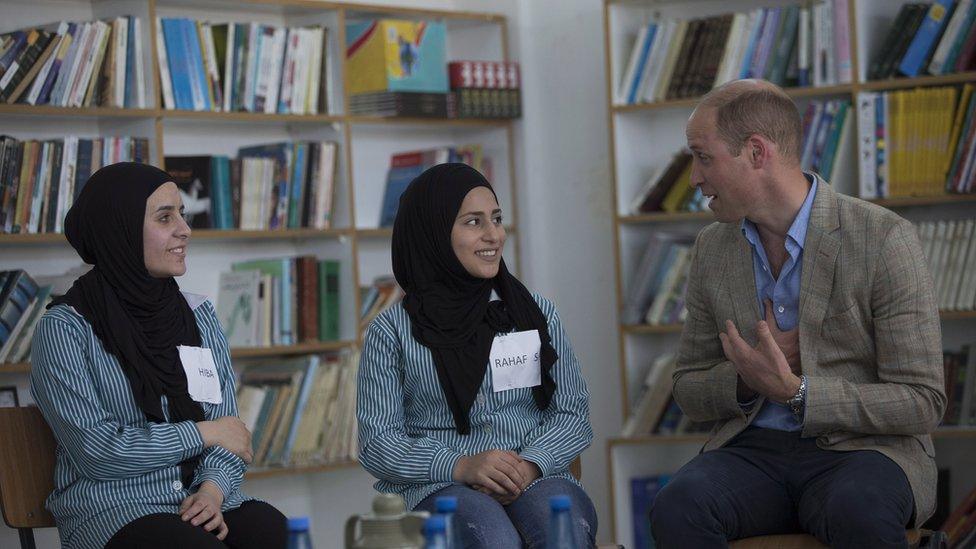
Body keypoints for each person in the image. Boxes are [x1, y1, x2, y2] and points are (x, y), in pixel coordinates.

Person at [649, 79, 946, 548]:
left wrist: (798, 391)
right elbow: (688, 387)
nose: (694, 179)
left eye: (703, 157)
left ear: (755, 152)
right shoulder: (712, 248)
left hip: (863, 451)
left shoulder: (884, 238)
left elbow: (923, 400)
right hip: (753, 453)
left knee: (858, 509)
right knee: (677, 505)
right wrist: (750, 379)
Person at [29, 162, 288, 549]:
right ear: (120, 230)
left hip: (204, 499)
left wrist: (212, 493)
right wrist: (200, 433)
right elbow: (98, 453)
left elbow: (229, 434)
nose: (184, 229)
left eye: (181, 215)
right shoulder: (65, 330)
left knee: (276, 532)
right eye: (164, 218)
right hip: (116, 510)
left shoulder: (199, 316)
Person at [357, 163, 598, 548]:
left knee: (560, 529)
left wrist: (529, 464)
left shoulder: (536, 314)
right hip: (441, 486)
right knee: (492, 538)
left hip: (537, 477)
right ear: (433, 234)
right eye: (473, 222)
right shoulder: (392, 333)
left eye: (497, 219)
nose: (494, 235)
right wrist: (461, 465)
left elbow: (572, 413)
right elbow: (378, 443)